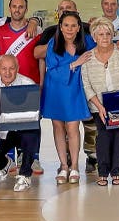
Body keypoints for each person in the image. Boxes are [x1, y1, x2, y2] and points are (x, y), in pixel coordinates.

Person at [82, 18, 119, 186]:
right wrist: (99, 107)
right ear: (94, 37)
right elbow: (86, 85)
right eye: (100, 34)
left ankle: (116, 171)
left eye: (108, 33)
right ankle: (102, 171)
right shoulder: (88, 57)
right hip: (99, 105)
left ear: (113, 35)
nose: (105, 37)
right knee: (104, 136)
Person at [40, 10, 93, 184]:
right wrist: (75, 63)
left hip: (75, 90)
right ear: (60, 27)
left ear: (78, 28)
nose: (69, 29)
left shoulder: (87, 41)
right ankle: (63, 166)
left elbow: (104, 47)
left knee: (72, 127)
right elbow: (52, 71)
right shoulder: (53, 44)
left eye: (73, 25)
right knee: (58, 127)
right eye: (66, 25)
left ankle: (75, 166)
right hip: (56, 90)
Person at [0, 54, 41, 193]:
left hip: (22, 131)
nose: (7, 72)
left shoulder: (28, 83)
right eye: (4, 68)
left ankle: (25, 174)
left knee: (33, 131)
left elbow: (34, 114)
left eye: (12, 68)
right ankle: (7, 163)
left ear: (18, 68)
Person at [0, 0, 42, 84]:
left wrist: (42, 82)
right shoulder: (0, 31)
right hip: (8, 82)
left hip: (31, 82)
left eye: (21, 7)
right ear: (9, 8)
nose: (17, 10)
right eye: (14, 6)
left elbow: (41, 59)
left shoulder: (37, 31)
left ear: (26, 9)